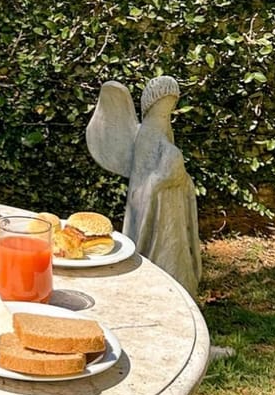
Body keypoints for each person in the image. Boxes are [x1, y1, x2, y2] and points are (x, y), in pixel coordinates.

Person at [86, 76, 201, 296]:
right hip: (149, 196)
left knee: (171, 244)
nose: (166, 110)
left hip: (168, 199)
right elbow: (144, 171)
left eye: (171, 106)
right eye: (163, 105)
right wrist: (162, 178)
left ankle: (177, 286)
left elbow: (168, 160)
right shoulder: (146, 132)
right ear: (151, 104)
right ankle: (152, 285)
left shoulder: (164, 129)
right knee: (149, 241)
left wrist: (177, 175)